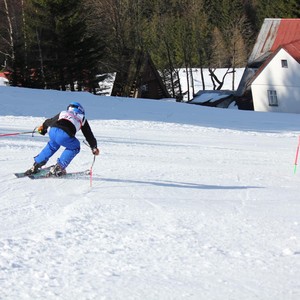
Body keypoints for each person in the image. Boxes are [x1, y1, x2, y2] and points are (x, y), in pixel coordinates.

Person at [25, 101, 99, 176]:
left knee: (52, 145)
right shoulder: (82, 118)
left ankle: (36, 165)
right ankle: (58, 168)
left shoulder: (63, 113)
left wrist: (43, 129)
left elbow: (49, 121)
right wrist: (94, 147)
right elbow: (89, 135)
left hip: (53, 131)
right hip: (64, 134)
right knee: (75, 146)